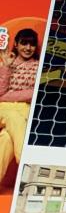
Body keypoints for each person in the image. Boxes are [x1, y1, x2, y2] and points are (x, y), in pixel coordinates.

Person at [0, 29, 40, 182]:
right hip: (3, 110)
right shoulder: (6, 63)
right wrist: (7, 68)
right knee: (13, 117)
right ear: (16, 44)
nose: (28, 48)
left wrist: (7, 96)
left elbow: (34, 93)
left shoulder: (38, 66)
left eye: (32, 44)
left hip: (25, 110)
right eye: (24, 43)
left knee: (5, 139)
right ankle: (25, 161)